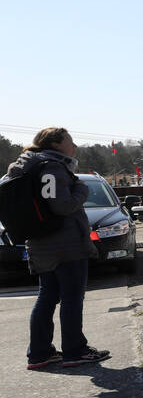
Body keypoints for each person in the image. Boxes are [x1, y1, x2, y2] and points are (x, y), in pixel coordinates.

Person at [4, 127, 110, 368]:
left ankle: (40, 353)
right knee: (72, 298)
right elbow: (61, 206)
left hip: (38, 242)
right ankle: (75, 350)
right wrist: (82, 190)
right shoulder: (51, 166)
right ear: (54, 144)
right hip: (66, 244)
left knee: (47, 297)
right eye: (70, 141)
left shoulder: (23, 166)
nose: (74, 146)